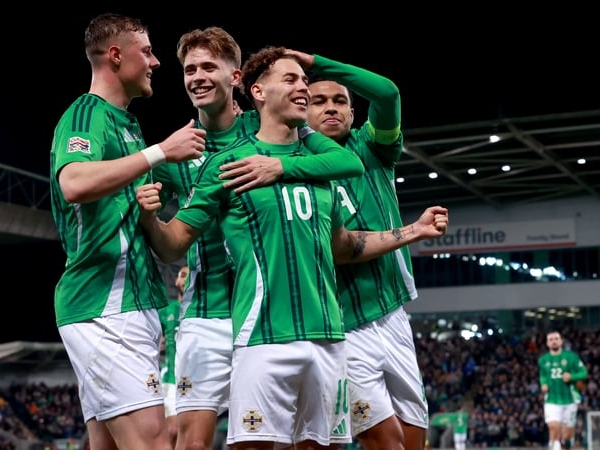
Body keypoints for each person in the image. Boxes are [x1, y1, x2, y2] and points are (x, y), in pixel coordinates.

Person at [138, 46, 447, 449]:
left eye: (309, 84)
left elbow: (343, 237)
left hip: (333, 333)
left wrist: (412, 231)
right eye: (295, 82)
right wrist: (148, 216)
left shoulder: (328, 162)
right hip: (265, 330)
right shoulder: (227, 163)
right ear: (258, 92)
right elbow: (174, 240)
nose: (305, 88)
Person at [151, 27, 369, 450]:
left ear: (238, 81)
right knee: (194, 440)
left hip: (275, 310)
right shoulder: (181, 149)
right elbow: (169, 234)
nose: (197, 76)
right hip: (208, 309)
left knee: (287, 436)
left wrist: (279, 168)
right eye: (189, 69)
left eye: (208, 67)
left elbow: (346, 161)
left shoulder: (271, 127)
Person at [48, 13, 206, 450]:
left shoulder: (129, 127)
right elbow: (74, 182)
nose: (156, 61)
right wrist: (161, 152)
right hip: (103, 304)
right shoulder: (85, 114)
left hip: (131, 303)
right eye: (148, 51)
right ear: (116, 55)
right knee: (155, 441)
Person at [284, 49, 448, 450]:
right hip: (342, 323)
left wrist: (316, 65)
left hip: (393, 313)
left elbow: (388, 93)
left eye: (340, 101)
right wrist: (412, 231)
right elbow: (339, 250)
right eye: (318, 101)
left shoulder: (374, 150)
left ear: (354, 114)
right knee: (383, 440)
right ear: (303, 112)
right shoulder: (296, 166)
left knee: (414, 439)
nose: (331, 108)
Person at [539, 330, 588, 450]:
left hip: (569, 398)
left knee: (567, 434)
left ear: (561, 341)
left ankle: (567, 444)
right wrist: (543, 384)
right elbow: (543, 375)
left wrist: (572, 377)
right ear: (547, 343)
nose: (554, 342)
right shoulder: (543, 360)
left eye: (556, 339)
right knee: (553, 428)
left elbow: (584, 373)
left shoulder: (571, 357)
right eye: (551, 340)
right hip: (551, 399)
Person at [160, 265, 186, 447]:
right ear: (176, 280)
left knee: (186, 432)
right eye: (183, 275)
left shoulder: (199, 310)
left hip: (191, 377)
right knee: (172, 429)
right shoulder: (168, 309)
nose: (185, 279)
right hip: (170, 376)